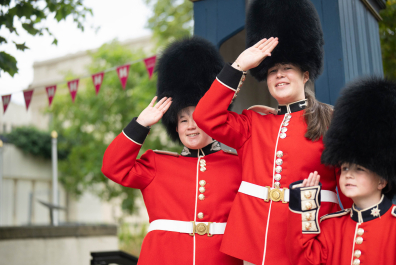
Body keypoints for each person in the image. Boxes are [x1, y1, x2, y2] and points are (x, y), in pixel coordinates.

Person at [193, 1, 352, 264]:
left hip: (308, 239)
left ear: (304, 74)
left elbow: (347, 191)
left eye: (287, 68)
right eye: (272, 71)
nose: (279, 75)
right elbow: (204, 117)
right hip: (257, 240)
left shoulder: (331, 121)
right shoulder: (253, 123)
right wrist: (238, 67)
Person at [101, 37, 242, 265]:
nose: (191, 126)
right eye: (183, 120)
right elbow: (112, 167)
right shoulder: (157, 163)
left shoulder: (238, 164)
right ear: (175, 126)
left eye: (197, 117)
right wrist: (141, 124)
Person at [286, 77, 396, 265]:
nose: (348, 174)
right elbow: (304, 260)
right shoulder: (330, 226)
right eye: (345, 168)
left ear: (382, 180)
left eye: (359, 168)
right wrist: (306, 207)